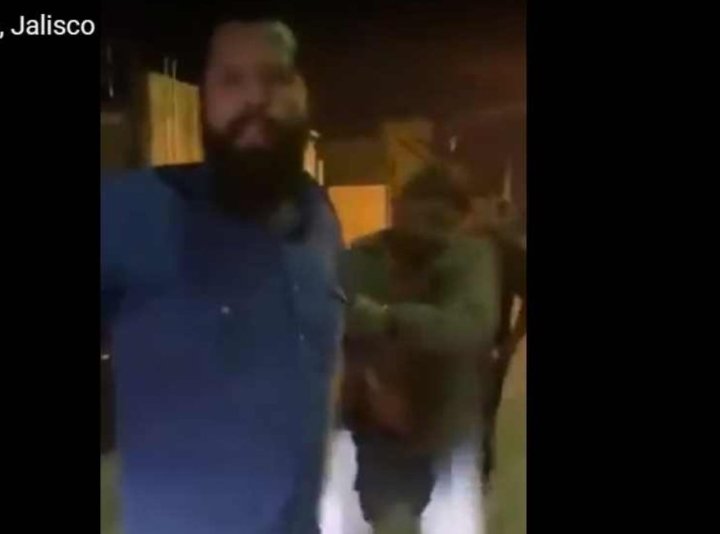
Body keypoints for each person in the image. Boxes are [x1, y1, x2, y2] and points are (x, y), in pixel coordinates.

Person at [101, 19, 344, 534]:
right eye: (232, 80)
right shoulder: (131, 213)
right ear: (203, 101)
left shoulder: (320, 217)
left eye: (275, 77)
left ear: (304, 93)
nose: (255, 97)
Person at [340, 166, 501, 533]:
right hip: (384, 436)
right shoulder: (361, 258)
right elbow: (338, 326)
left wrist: (385, 320)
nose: (428, 230)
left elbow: (469, 326)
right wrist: (370, 386)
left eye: (440, 220)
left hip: (445, 430)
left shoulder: (469, 258)